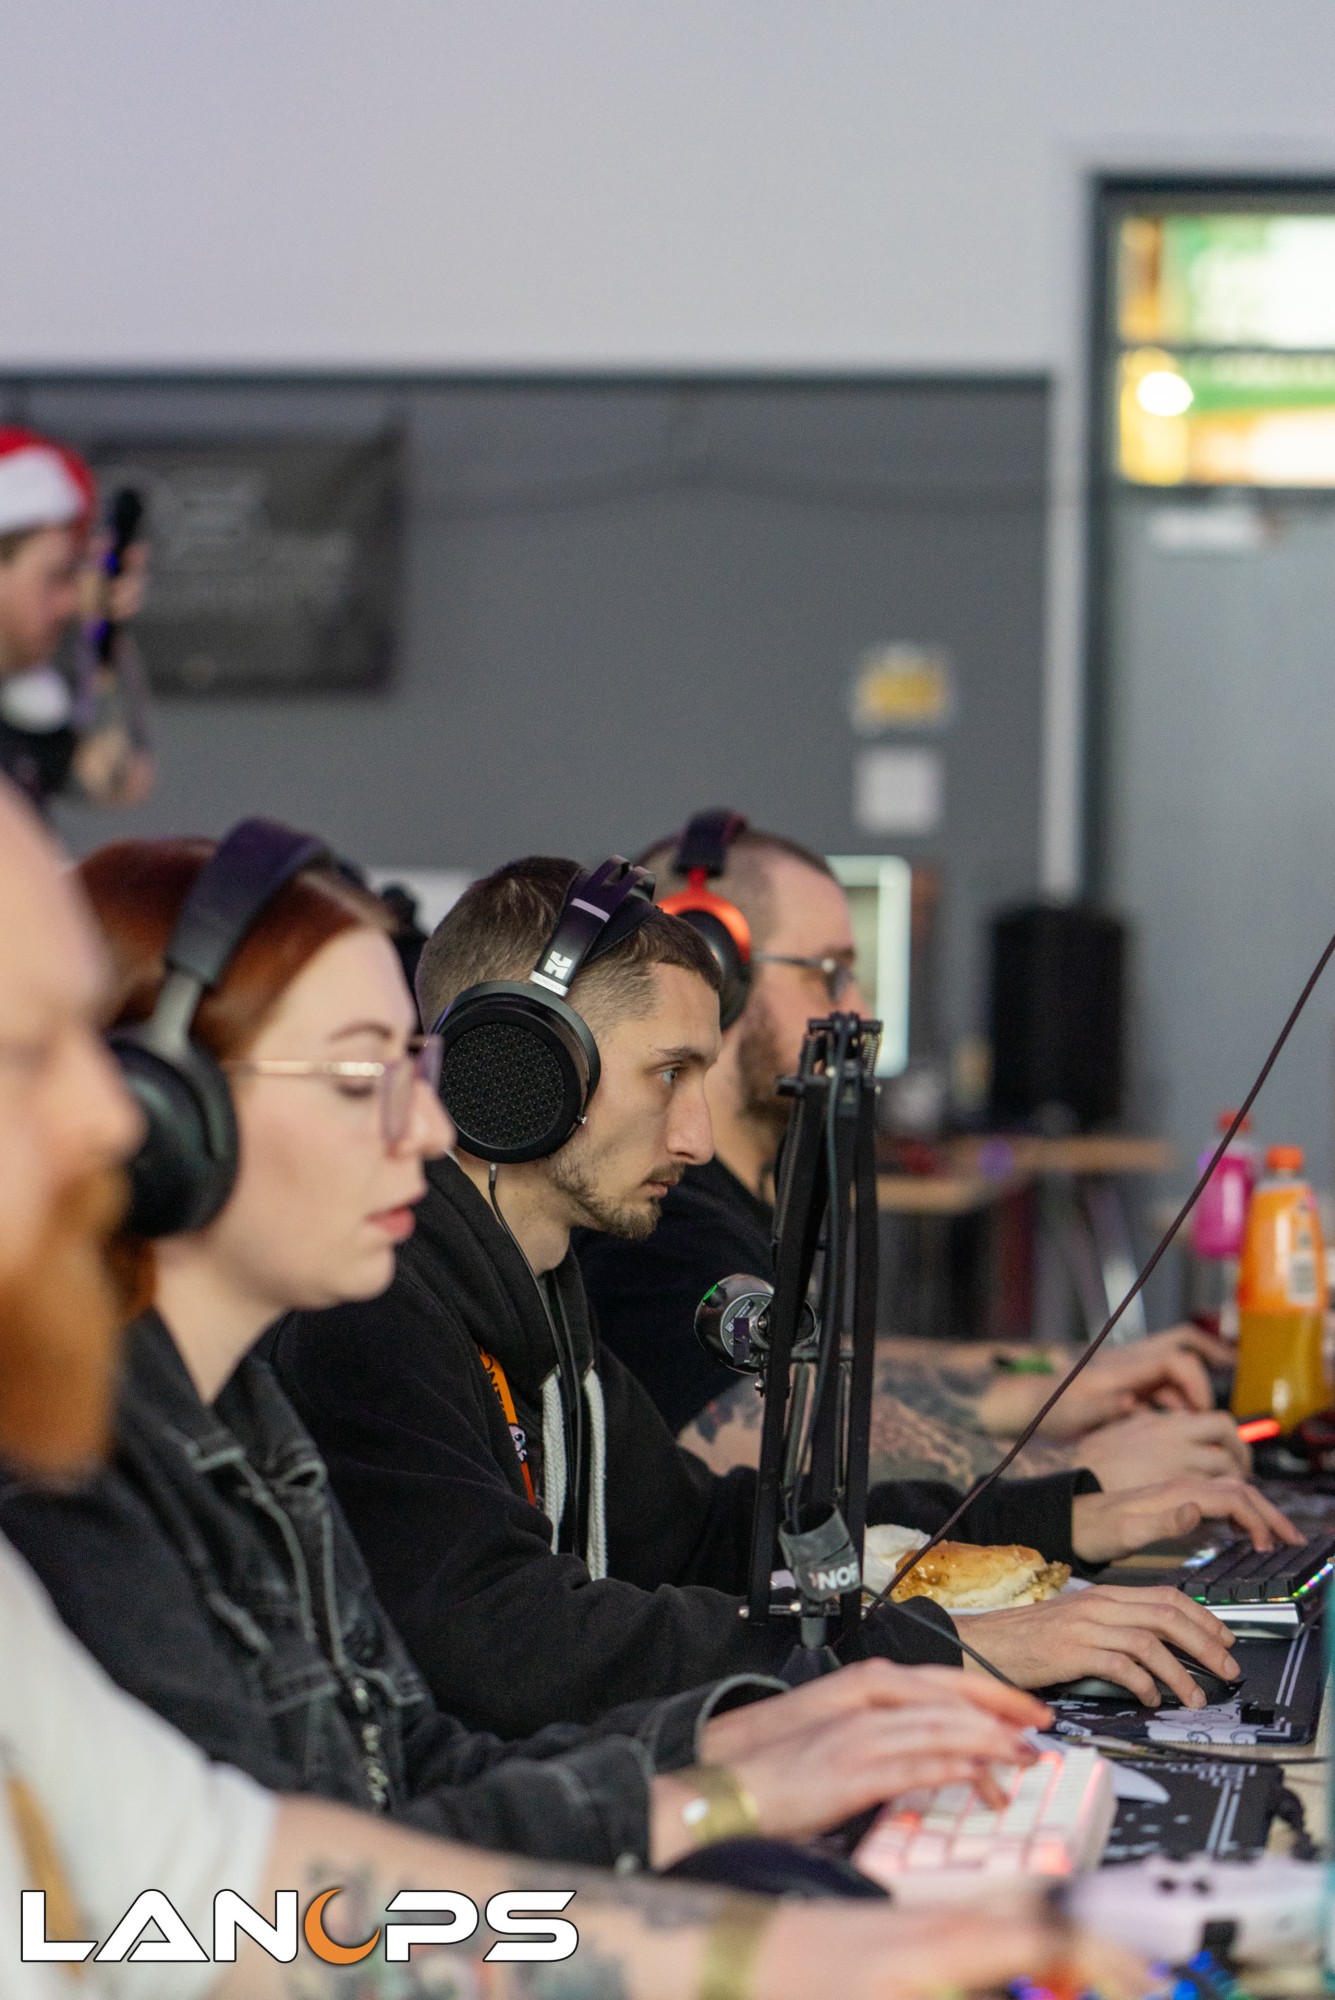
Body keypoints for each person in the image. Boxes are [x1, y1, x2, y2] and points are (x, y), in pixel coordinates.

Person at [0, 776, 1122, 2000]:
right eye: (363, 1074)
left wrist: (737, 1763)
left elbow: (351, 1809)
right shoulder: (90, 1478)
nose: (424, 1129)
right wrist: (734, 1812)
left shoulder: (250, 1427)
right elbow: (252, 1917)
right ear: (178, 1118)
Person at [272, 853, 1294, 1743]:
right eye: (667, 1074)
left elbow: (706, 1534)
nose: (695, 1139)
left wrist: (1058, 1518)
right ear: (518, 1073)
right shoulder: (374, 1310)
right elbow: (513, 1640)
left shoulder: (538, 1297)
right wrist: (935, 1651)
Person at [581, 818, 1251, 1493]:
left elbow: (815, 1362)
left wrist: (1045, 1377)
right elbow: (764, 1433)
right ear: (710, 969)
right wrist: (1082, 1472)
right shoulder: (656, 1220)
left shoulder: (724, 1198)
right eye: (830, 974)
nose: (858, 1006)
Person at [0, 428, 154, 814]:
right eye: (56, 577)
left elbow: (118, 776)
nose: (71, 602)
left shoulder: (21, 708)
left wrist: (104, 632)